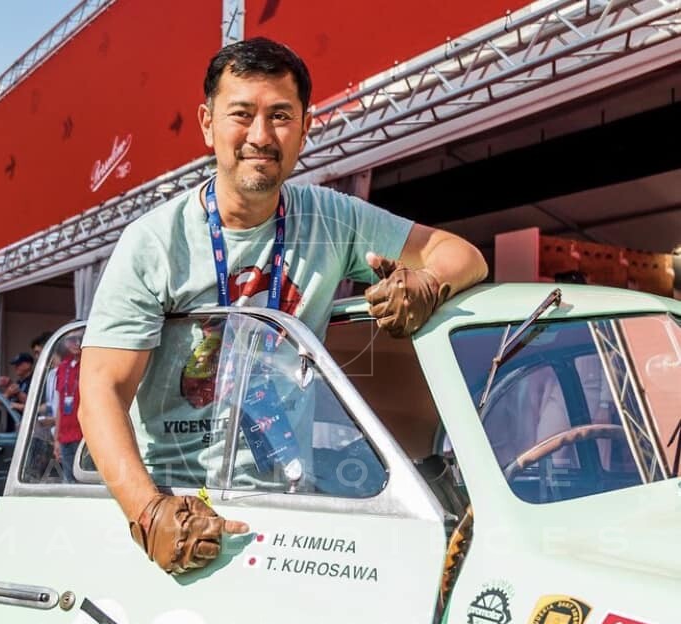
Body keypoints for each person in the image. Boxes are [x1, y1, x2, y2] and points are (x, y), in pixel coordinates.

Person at [80, 37, 487, 577]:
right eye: (241, 114)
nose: (260, 136)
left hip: (291, 504)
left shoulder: (331, 219)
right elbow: (101, 392)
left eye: (280, 116)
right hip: (179, 504)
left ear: (304, 127)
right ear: (207, 124)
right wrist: (148, 512)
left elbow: (462, 255)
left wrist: (428, 283)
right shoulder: (156, 242)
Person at [54, 334, 83, 483]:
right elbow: (60, 406)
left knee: (84, 482)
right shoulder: (62, 367)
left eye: (80, 339)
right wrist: (56, 439)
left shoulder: (89, 364)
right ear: (65, 343)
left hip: (84, 434)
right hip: (65, 435)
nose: (76, 343)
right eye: (72, 340)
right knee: (69, 482)